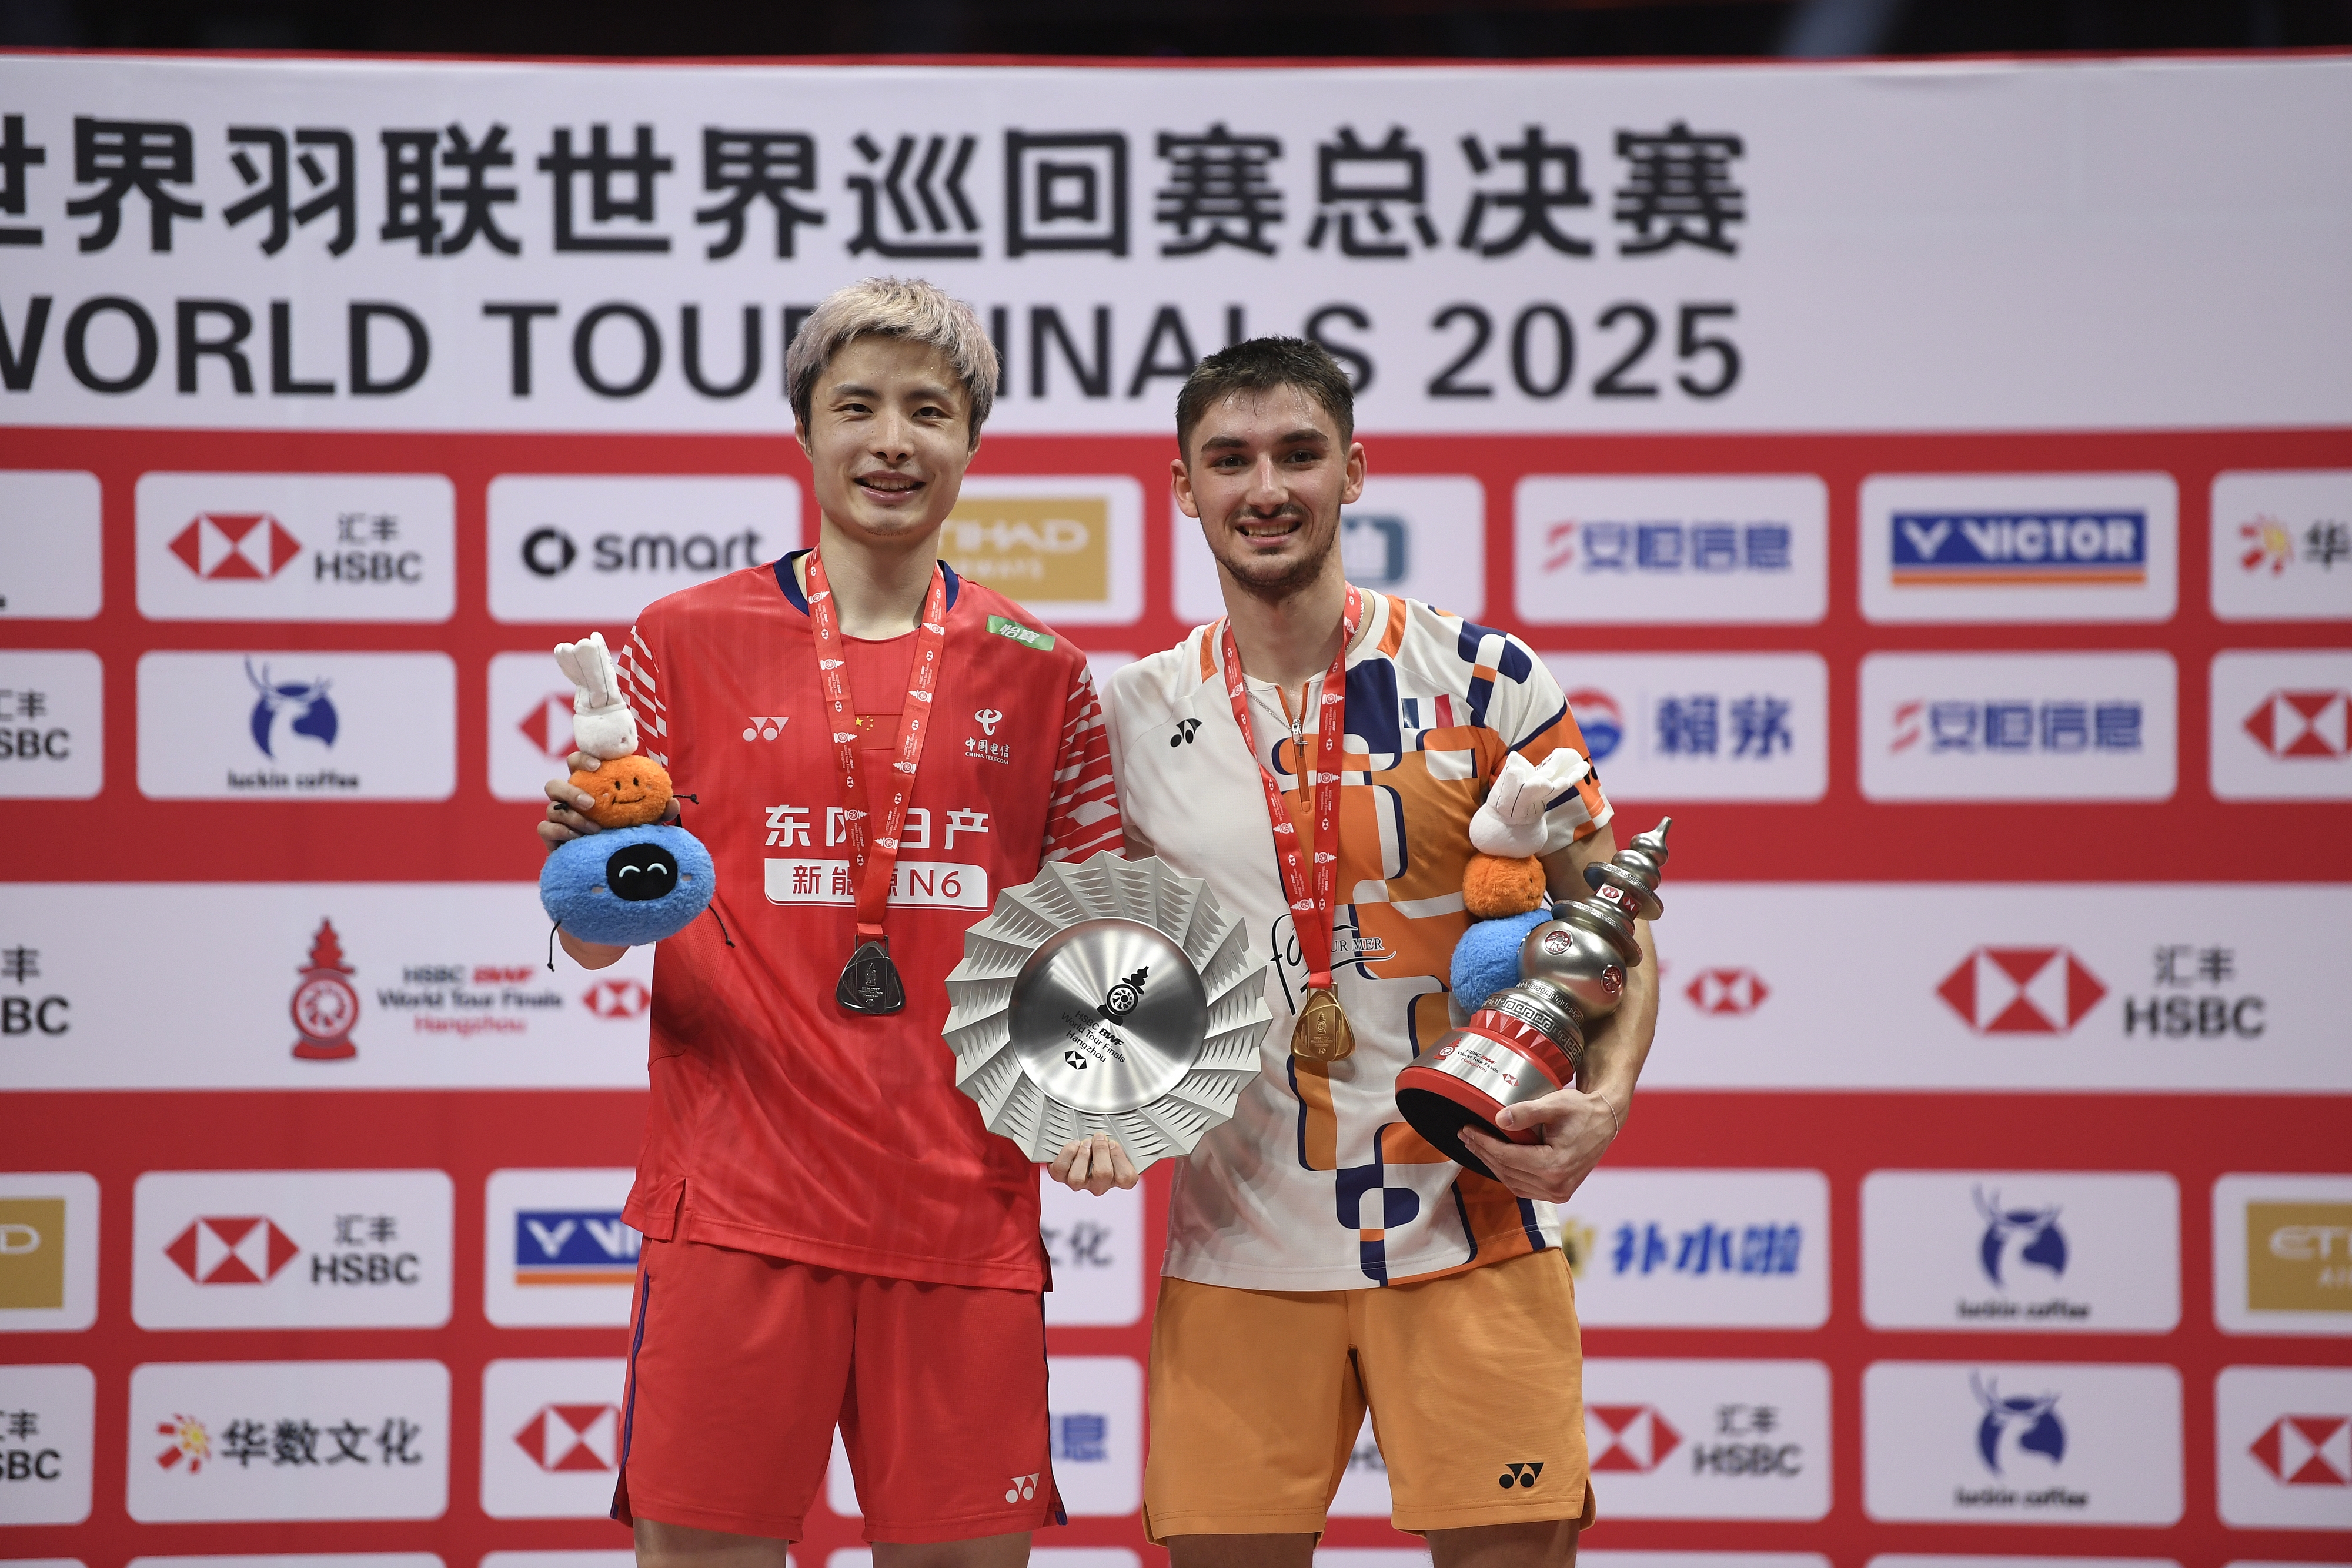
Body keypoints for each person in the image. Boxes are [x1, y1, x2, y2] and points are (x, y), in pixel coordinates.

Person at [540, 277, 1123, 1568]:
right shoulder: (673, 642)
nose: (891, 441)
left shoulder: (1049, 676)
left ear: (972, 442)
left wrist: (1104, 1103)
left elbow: (1099, 943)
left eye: (928, 410)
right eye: (854, 406)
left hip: (963, 1220)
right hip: (734, 1214)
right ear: (802, 431)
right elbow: (592, 937)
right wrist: (588, 870)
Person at [1057, 337, 1657, 1568]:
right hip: (1235, 1246)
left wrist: (1606, 1102)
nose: (1263, 485)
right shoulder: (1121, 717)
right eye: (1227, 458)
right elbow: (1076, 952)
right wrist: (1082, 1095)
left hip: (1471, 1226)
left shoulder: (1485, 677)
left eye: (1297, 453)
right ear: (1182, 487)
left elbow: (1616, 928)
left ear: (1354, 470)